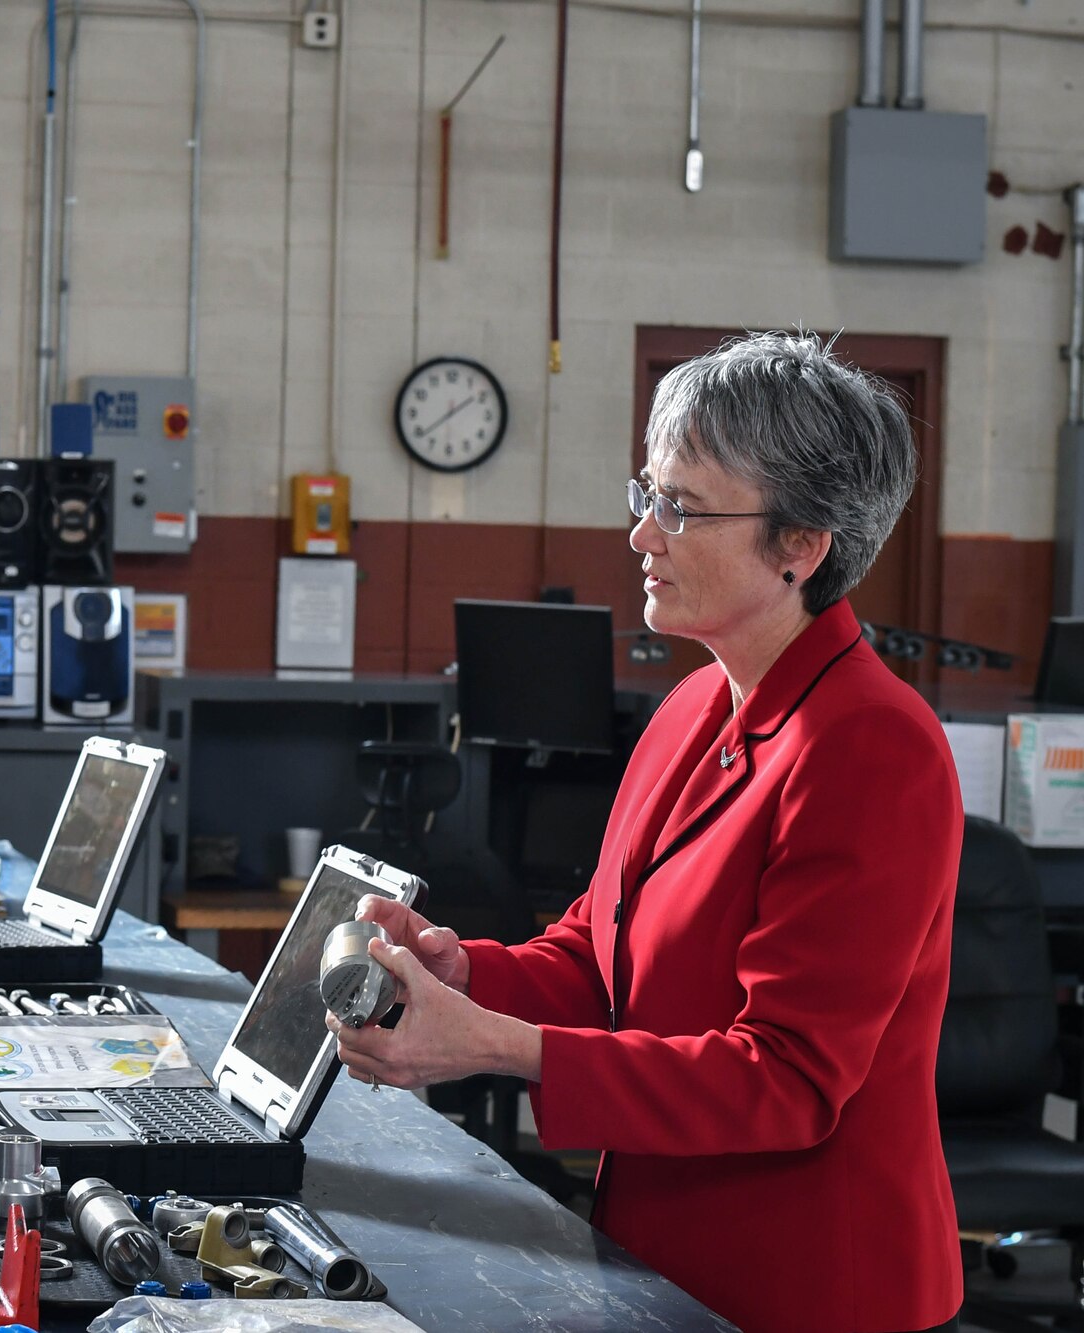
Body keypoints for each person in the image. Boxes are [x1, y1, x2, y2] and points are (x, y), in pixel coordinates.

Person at [334, 332, 962, 1333]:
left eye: (682, 506)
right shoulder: (687, 710)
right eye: (645, 495)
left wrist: (496, 1046)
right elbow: (597, 955)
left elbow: (787, 1079)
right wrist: (463, 977)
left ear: (800, 546)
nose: (642, 534)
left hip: (809, 1289)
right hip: (657, 1258)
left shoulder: (872, 745)